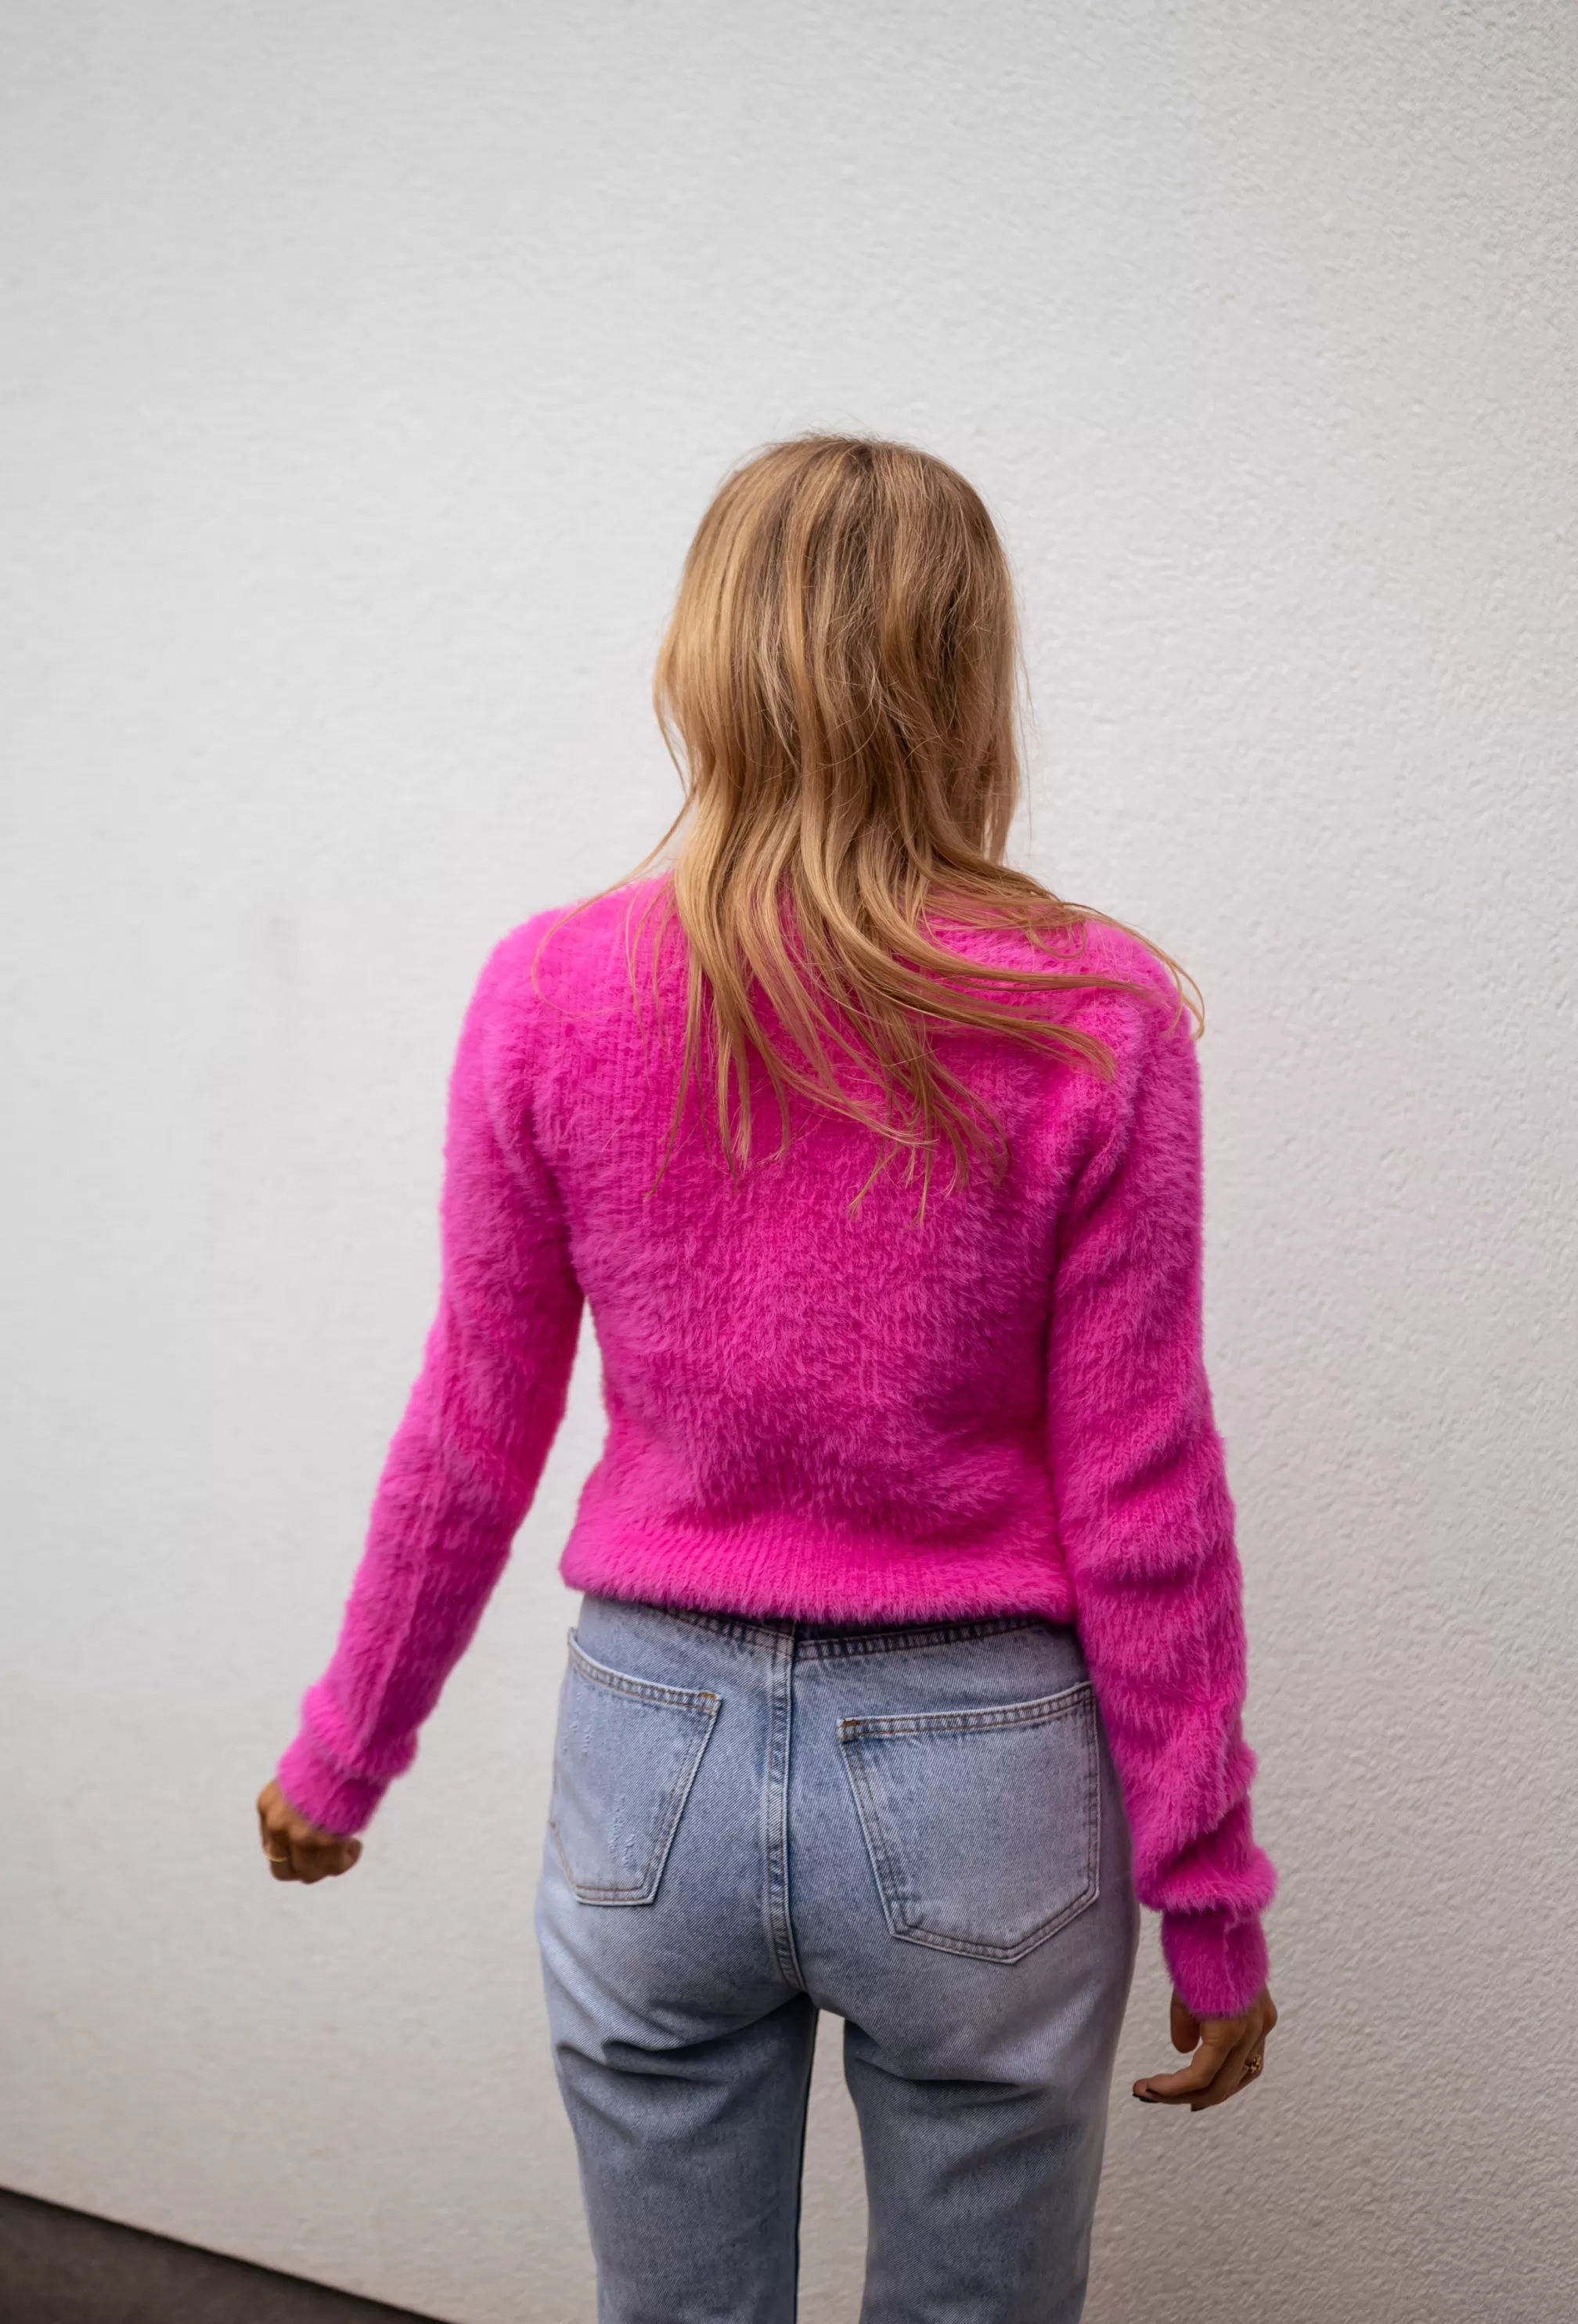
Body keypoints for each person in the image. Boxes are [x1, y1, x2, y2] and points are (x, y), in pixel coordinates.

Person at [257, 434, 1278, 2323]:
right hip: (985, 1778)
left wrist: (346, 1749)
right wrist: (1207, 1887)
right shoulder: (1091, 1012)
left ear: (701, 662)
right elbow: (1146, 1484)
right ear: (969, 679)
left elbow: (472, 1429)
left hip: (653, 1755)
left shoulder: (549, 992)